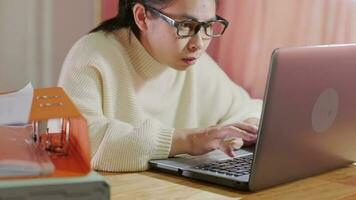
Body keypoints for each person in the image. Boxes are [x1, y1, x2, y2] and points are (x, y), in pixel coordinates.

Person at [58, 0, 262, 172]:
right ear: (142, 17)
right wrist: (191, 141)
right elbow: (80, 142)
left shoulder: (193, 64)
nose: (198, 43)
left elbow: (248, 106)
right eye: (185, 26)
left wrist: (248, 127)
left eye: (208, 26)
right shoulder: (91, 56)